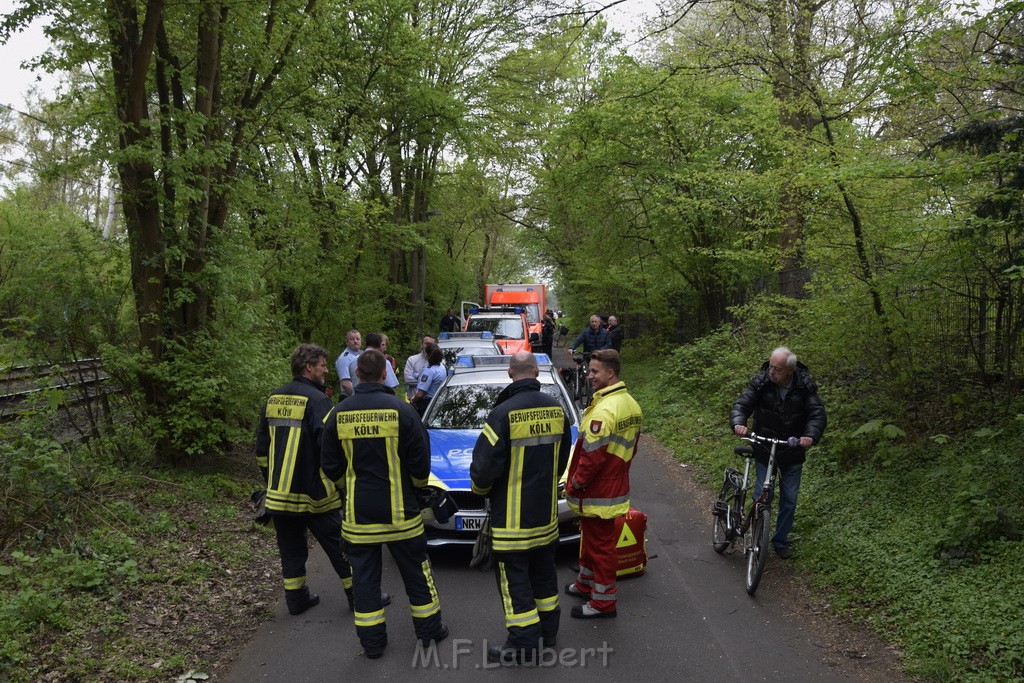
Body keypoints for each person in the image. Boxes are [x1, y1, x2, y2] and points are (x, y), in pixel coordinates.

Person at [320, 349, 448, 659]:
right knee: (417, 573)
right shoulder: (402, 411)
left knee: (364, 582)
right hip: (402, 515)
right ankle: (429, 632)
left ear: (358, 376)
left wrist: (347, 488)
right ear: (382, 375)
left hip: (358, 518)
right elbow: (420, 464)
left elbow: (329, 465)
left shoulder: (337, 414)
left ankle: (373, 644)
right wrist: (418, 490)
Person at [470, 352, 573, 664]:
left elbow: (484, 470)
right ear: (537, 371)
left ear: (510, 373)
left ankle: (523, 644)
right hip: (546, 516)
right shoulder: (557, 409)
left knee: (515, 582)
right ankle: (549, 632)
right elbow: (560, 460)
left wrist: (481, 492)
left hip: (511, 522)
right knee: (544, 576)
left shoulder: (501, 414)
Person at [254, 344, 354, 616]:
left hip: (280, 495)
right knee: (339, 545)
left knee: (291, 549)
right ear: (309, 366)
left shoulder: (273, 398)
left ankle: (296, 600)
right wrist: (340, 483)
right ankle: (359, 597)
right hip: (316, 494)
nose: (325, 370)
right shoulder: (318, 401)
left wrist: (271, 481)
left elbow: (262, 450)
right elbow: (330, 447)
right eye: (322, 364)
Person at [564, 349, 642, 619]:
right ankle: (586, 583)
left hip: (597, 488)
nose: (589, 375)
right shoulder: (630, 403)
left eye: (595, 371)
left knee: (601, 547)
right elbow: (631, 449)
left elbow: (591, 458)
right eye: (590, 370)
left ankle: (603, 603)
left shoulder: (606, 409)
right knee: (592, 540)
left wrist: (574, 484)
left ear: (611, 373)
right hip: (614, 483)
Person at [730, 346, 826, 560]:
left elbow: (817, 415)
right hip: (765, 447)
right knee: (763, 495)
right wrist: (739, 422)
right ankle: (756, 538)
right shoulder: (762, 381)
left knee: (789, 499)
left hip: (791, 451)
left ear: (790, 370)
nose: (771, 372)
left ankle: (780, 541)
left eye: (777, 369)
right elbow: (743, 404)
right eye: (771, 366)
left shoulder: (804, 386)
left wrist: (810, 435)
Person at [410, 342, 446, 417]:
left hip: (426, 404)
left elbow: (420, 394)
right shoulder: (442, 367)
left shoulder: (429, 371)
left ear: (427, 355)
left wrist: (413, 400)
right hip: (437, 401)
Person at [404, 335, 436, 401]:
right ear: (421, 345)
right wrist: (429, 381)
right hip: (413, 400)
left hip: (431, 401)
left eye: (431, 344)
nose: (428, 346)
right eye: (426, 343)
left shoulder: (439, 362)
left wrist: (417, 376)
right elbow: (407, 379)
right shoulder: (412, 360)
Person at [335, 329, 362, 398]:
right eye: (352, 339)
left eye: (358, 339)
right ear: (347, 342)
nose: (355, 341)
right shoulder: (344, 359)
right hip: (350, 397)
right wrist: (358, 397)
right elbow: (345, 384)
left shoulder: (362, 353)